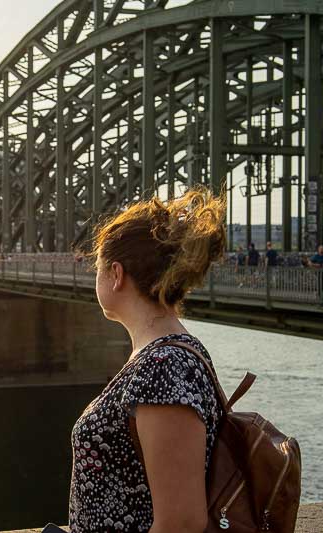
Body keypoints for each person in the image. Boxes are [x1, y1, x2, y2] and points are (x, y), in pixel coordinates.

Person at [69, 188, 225, 533]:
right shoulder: (162, 355)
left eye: (96, 267)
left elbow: (181, 523)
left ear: (116, 274)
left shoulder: (163, 367)